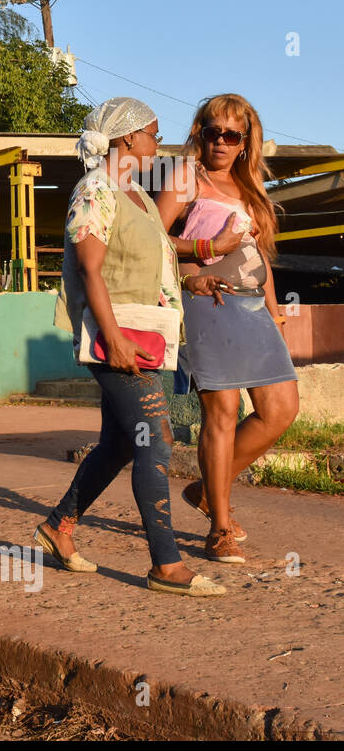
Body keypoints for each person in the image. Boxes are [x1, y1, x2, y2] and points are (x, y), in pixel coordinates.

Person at [40, 97, 229, 597]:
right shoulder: (95, 190)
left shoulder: (140, 200)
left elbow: (152, 268)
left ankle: (58, 525)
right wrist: (113, 339)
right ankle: (165, 565)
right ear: (126, 139)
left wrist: (195, 284)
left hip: (149, 335)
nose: (157, 143)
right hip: (118, 336)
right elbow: (91, 270)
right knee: (157, 439)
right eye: (151, 133)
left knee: (121, 443)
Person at [155, 94, 299, 564]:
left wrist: (276, 314)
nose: (219, 141)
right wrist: (206, 246)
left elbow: (262, 259)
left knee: (280, 410)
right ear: (199, 132)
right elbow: (152, 240)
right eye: (211, 131)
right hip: (208, 302)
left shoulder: (250, 184)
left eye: (230, 135)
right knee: (222, 413)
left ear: (244, 141)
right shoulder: (185, 177)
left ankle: (205, 490)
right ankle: (219, 525)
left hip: (255, 307)